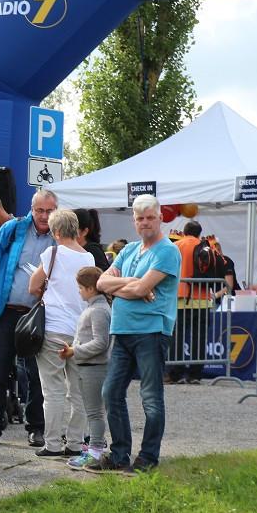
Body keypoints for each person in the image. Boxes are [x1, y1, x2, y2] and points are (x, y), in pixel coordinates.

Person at [96, 194, 181, 474]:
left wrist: (125, 286)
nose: (145, 222)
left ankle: (148, 457)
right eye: (140, 218)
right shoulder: (130, 249)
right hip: (122, 330)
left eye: (150, 217)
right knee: (111, 393)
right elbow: (100, 282)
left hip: (151, 331)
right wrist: (131, 282)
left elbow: (138, 290)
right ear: (134, 220)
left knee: (151, 397)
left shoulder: (168, 251)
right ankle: (119, 455)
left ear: (161, 218)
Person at [0, 189, 57, 448]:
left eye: (50, 210)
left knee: (35, 374)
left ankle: (36, 429)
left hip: (39, 315)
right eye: (40, 210)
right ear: (32, 209)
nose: (44, 216)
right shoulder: (13, 229)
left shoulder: (60, 235)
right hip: (5, 312)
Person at [27, 209, 94, 458]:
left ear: (56, 232)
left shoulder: (52, 252)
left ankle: (53, 443)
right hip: (81, 331)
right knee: (78, 391)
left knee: (52, 389)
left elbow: (33, 285)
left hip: (53, 327)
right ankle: (75, 442)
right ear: (76, 229)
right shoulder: (89, 258)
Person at [59, 266, 112, 471]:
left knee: (95, 413)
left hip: (94, 367)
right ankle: (93, 451)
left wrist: (74, 350)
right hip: (87, 366)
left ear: (91, 289)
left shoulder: (98, 310)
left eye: (81, 287)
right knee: (93, 412)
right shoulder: (93, 308)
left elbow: (101, 343)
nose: (79, 291)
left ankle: (95, 453)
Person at [168, 220, 211, 384]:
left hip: (180, 298)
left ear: (184, 232)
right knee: (199, 338)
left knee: (177, 338)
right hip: (203, 298)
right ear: (199, 233)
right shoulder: (206, 246)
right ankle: (195, 374)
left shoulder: (176, 245)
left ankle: (175, 373)